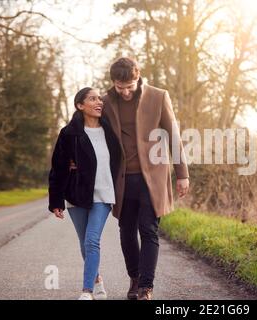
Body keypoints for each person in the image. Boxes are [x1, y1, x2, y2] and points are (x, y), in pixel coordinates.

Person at [101, 57, 190, 300]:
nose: (126, 92)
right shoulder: (106, 102)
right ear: (113, 83)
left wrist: (182, 174)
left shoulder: (158, 96)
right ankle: (135, 278)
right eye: (121, 88)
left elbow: (173, 135)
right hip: (121, 179)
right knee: (126, 230)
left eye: (130, 86)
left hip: (153, 178)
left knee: (148, 229)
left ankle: (146, 288)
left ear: (138, 77)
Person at [48, 87, 121, 300]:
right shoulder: (69, 133)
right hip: (77, 194)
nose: (99, 102)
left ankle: (86, 291)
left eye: (100, 98)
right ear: (80, 105)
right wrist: (56, 200)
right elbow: (58, 168)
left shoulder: (110, 131)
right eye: (92, 99)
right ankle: (97, 281)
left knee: (91, 240)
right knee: (84, 242)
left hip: (104, 194)